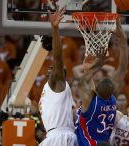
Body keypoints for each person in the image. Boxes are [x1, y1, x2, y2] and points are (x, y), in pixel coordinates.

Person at [75, 20, 128, 145]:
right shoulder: (112, 99)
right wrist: (123, 40)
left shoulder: (90, 101)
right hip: (104, 141)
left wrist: (98, 64)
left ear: (96, 89)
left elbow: (82, 83)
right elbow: (122, 68)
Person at [38, 7, 77, 146]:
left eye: (54, 68)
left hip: (60, 137)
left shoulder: (58, 84)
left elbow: (58, 58)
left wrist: (55, 29)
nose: (50, 67)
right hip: (52, 136)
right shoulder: (49, 89)